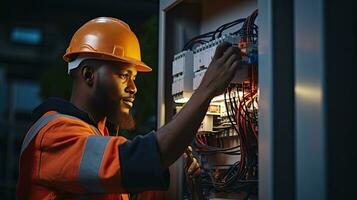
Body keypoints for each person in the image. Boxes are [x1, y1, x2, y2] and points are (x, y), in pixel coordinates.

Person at [16, 17, 241, 200]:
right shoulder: (53, 136)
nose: (133, 88)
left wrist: (171, 176)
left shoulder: (96, 136)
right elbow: (137, 158)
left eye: (133, 78)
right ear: (88, 74)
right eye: (124, 76)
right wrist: (207, 90)